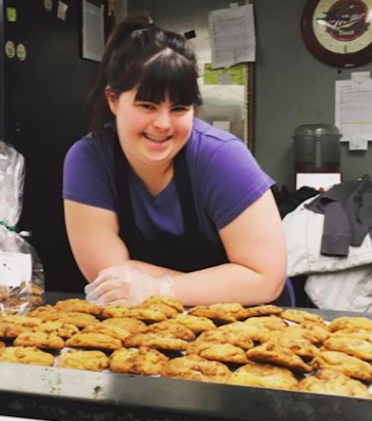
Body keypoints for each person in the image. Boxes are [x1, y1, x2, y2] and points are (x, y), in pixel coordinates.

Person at [63, 15, 289, 308]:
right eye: (147, 105)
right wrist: (226, 282)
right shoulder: (90, 160)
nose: (163, 124)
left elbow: (265, 280)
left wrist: (158, 288)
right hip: (145, 327)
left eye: (179, 108)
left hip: (243, 327)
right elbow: (108, 278)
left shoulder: (221, 158)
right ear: (113, 100)